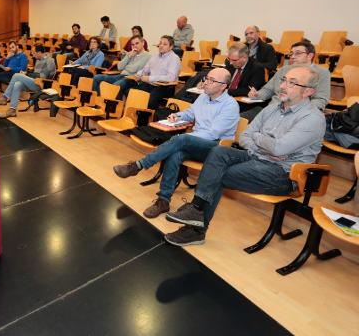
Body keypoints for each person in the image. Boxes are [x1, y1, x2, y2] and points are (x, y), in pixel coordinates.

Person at [163, 66, 325, 246]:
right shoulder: (272, 108)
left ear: (308, 91)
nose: (283, 86)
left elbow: (279, 148)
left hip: (283, 173)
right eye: (283, 80)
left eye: (292, 83)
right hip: (257, 157)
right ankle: (196, 212)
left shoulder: (313, 118)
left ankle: (196, 227)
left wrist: (262, 142)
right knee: (218, 151)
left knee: (218, 173)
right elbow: (246, 136)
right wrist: (266, 144)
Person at [113, 67, 239, 219]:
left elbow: (213, 133)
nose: (206, 83)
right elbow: (190, 113)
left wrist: (189, 137)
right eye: (206, 78)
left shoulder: (230, 106)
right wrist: (177, 116)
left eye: (212, 80)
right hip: (195, 141)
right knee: (175, 154)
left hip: (216, 148)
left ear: (223, 86)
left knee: (181, 139)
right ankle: (163, 200)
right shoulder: (204, 97)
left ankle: (138, 165)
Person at [244, 39, 330, 121]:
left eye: (298, 53)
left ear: (310, 56)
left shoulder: (322, 73)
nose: (292, 57)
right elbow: (268, 89)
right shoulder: (284, 69)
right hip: (272, 109)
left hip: (296, 114)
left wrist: (299, 110)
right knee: (240, 120)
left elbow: (320, 100)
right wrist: (257, 94)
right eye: (291, 53)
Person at [177, 42, 265, 104]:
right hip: (222, 97)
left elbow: (248, 90)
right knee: (198, 82)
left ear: (244, 58)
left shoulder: (257, 68)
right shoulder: (231, 63)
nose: (230, 63)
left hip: (238, 102)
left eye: (234, 60)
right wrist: (205, 82)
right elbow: (221, 77)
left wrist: (225, 91)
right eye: (229, 59)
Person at [0, 45, 56, 118]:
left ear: (39, 52)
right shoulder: (38, 60)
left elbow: (43, 76)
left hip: (43, 84)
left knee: (16, 75)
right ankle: (12, 110)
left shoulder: (50, 60)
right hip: (35, 82)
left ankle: (4, 98)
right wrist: (27, 73)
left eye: (33, 53)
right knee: (17, 84)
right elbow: (35, 74)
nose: (32, 55)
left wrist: (27, 74)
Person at [120, 35, 181, 108]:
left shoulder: (174, 58)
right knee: (129, 92)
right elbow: (145, 69)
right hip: (150, 84)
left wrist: (150, 78)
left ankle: (147, 117)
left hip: (164, 87)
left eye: (164, 44)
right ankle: (133, 116)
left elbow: (171, 78)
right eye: (160, 43)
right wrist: (139, 75)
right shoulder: (155, 56)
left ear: (171, 47)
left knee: (148, 101)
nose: (161, 46)